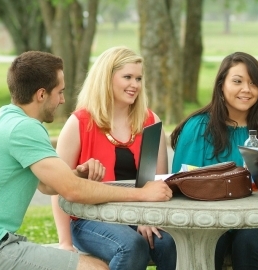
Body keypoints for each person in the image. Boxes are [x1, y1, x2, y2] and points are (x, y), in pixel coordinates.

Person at [0, 51, 172, 270]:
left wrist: (76, 173)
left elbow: (48, 185)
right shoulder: (24, 128)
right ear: (41, 94)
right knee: (96, 268)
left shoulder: (6, 118)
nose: (62, 100)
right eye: (59, 92)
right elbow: (72, 192)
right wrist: (142, 193)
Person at [51, 46, 176, 270]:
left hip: (138, 215)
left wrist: (149, 218)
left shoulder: (150, 121)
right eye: (127, 77)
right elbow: (57, 187)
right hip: (88, 219)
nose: (135, 85)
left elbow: (159, 183)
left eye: (138, 78)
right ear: (106, 78)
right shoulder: (79, 122)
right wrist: (65, 243)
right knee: (131, 245)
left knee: (168, 243)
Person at [170, 51, 258, 270]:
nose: (246, 90)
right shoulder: (198, 127)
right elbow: (182, 182)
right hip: (209, 220)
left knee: (247, 244)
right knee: (210, 246)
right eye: (237, 81)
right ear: (221, 85)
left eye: (253, 83)